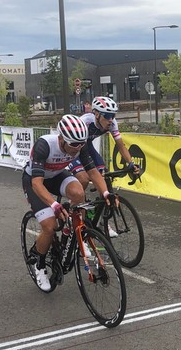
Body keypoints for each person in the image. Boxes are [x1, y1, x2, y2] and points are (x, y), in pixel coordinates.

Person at [22, 114, 115, 292]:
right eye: (74, 145)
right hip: (35, 181)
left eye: (81, 144)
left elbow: (93, 172)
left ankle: (72, 232)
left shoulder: (80, 144)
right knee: (49, 226)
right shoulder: (45, 145)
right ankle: (39, 264)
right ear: (62, 138)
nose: (77, 149)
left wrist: (106, 193)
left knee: (79, 193)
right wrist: (54, 205)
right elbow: (37, 183)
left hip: (57, 175)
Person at [68, 96, 140, 188]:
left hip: (87, 145)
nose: (110, 119)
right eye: (107, 115)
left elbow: (121, 146)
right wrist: (91, 170)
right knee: (84, 179)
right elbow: (83, 152)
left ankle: (106, 200)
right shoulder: (85, 122)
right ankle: (74, 201)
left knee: (105, 176)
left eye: (113, 115)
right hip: (72, 148)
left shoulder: (112, 123)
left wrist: (131, 163)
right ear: (97, 114)